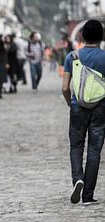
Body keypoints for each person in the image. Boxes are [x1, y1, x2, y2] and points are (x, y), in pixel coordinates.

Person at [62, 19, 105, 205]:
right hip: (100, 108)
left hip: (78, 106)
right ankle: (88, 195)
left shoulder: (72, 57)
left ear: (82, 35)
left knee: (76, 146)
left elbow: (65, 87)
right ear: (101, 37)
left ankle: (77, 179)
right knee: (94, 150)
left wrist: (70, 103)